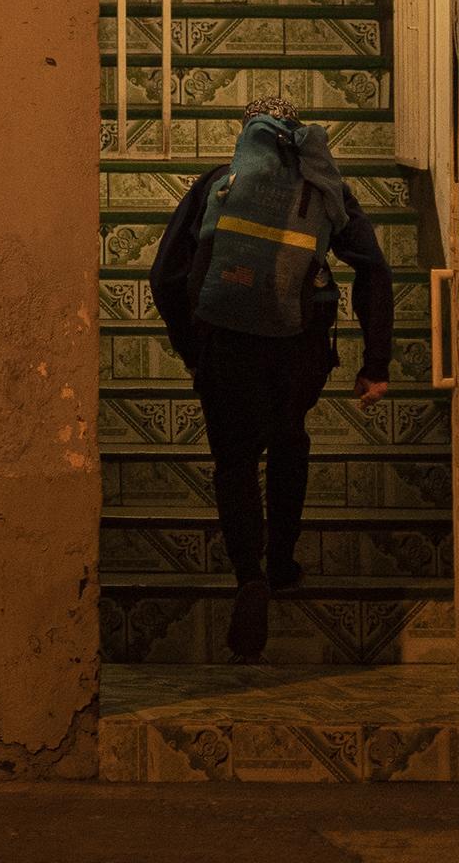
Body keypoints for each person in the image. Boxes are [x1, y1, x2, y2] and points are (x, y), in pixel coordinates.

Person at [149, 95, 393, 664]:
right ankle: (282, 561)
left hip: (224, 347)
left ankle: (248, 576)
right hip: (297, 352)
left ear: (247, 136)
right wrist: (375, 361)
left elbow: (164, 275)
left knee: (234, 461)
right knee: (289, 441)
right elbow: (375, 269)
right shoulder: (325, 191)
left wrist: (192, 347)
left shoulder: (217, 184)